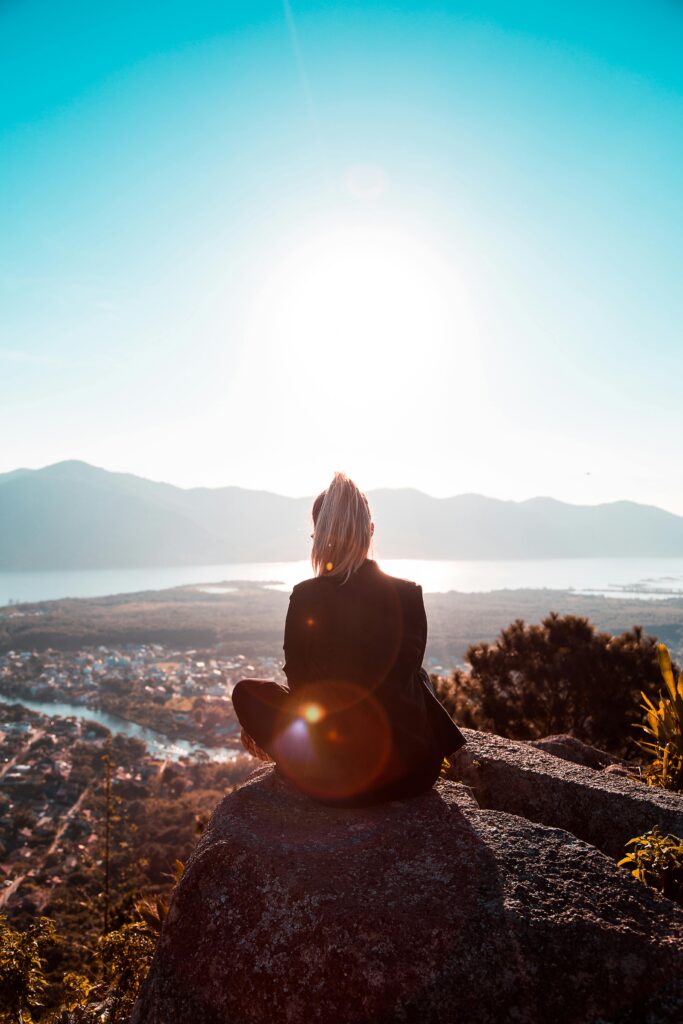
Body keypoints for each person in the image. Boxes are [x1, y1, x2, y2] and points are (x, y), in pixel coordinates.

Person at [231, 471, 466, 807]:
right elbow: (406, 675)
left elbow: (300, 689)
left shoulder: (306, 597)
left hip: (334, 779)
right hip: (413, 774)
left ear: (318, 535)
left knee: (247, 693)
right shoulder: (408, 593)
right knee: (420, 676)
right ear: (370, 531)